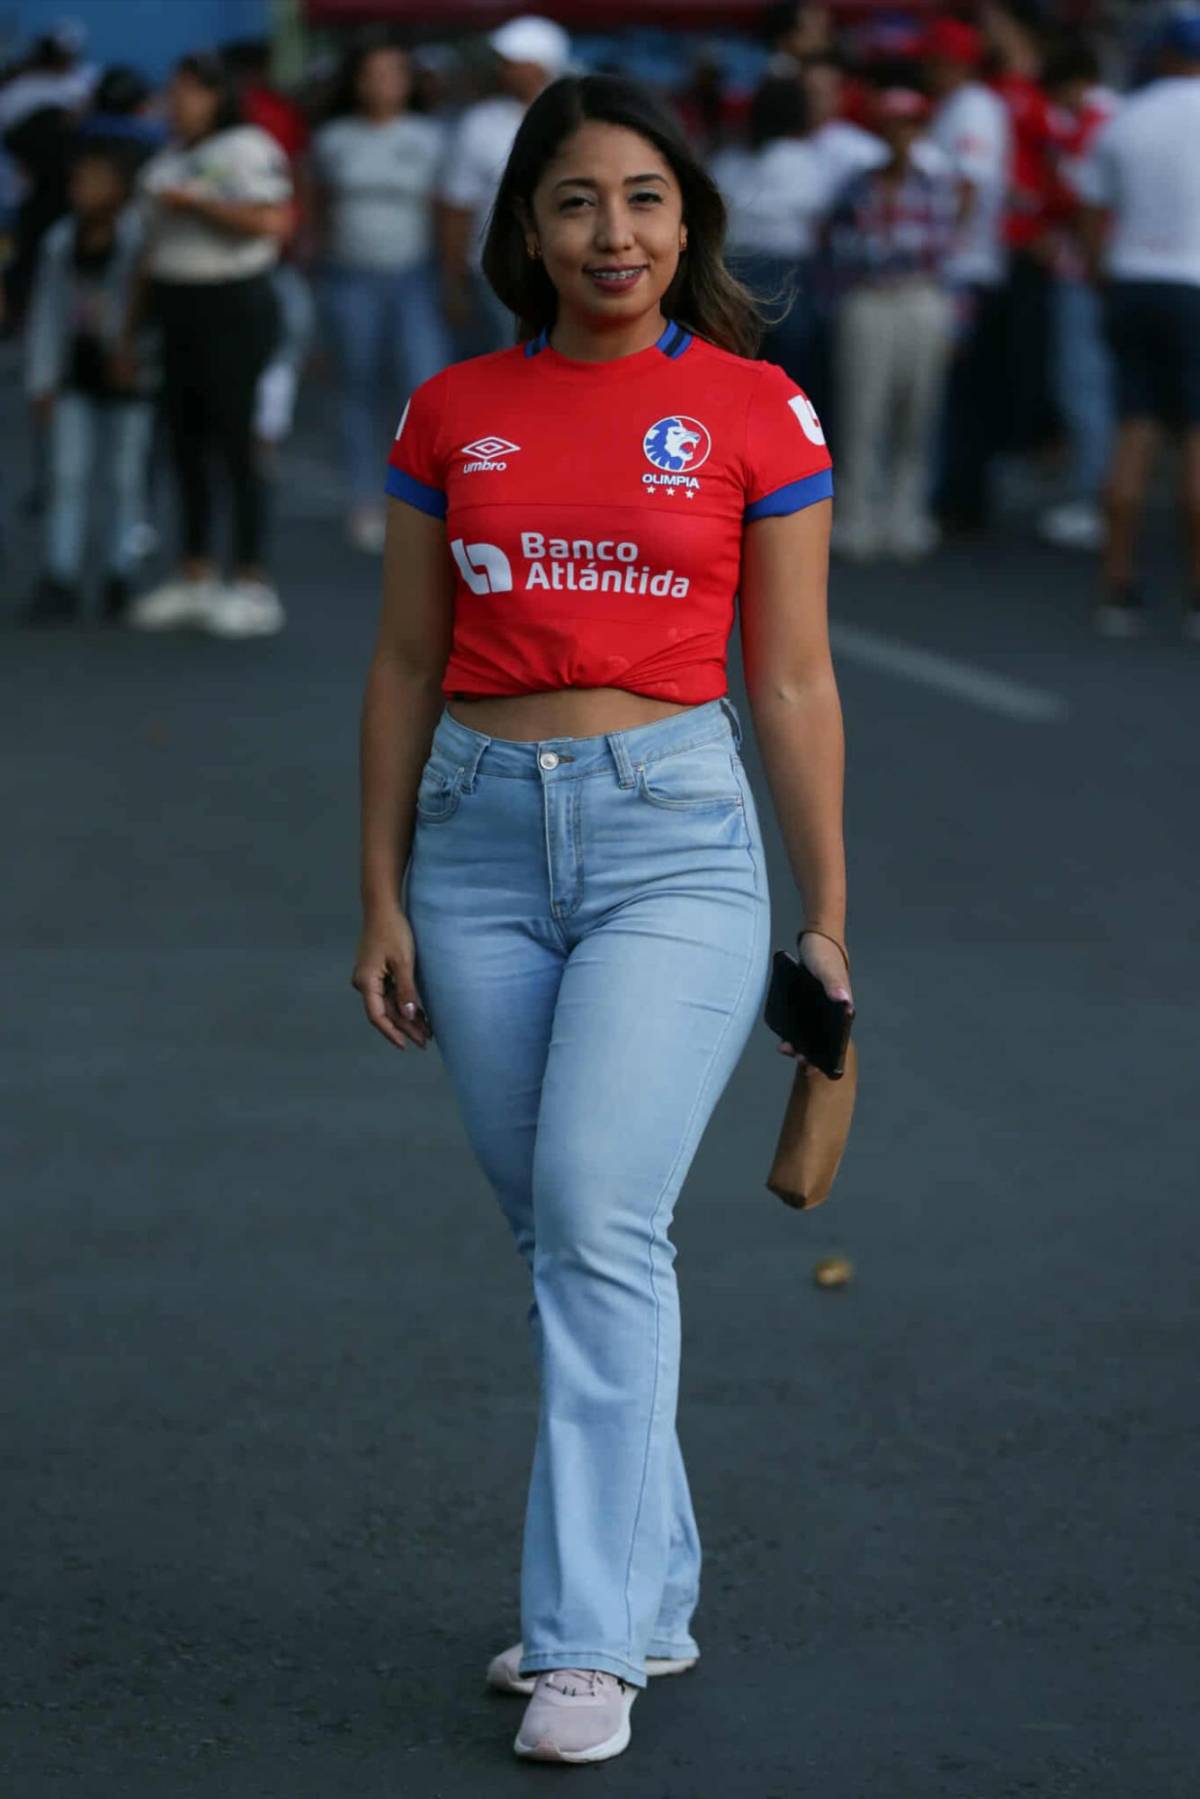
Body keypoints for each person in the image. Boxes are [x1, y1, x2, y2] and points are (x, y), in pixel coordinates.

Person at [352, 72, 851, 1767]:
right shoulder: (449, 410)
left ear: (686, 220)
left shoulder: (757, 413)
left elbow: (788, 674)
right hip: (476, 850)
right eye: (576, 202)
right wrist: (378, 893)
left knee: (590, 1215)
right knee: (574, 1238)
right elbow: (407, 661)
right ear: (527, 229)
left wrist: (829, 910)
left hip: (675, 846)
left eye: (644, 197)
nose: (613, 232)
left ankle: (584, 1644)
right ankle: (648, 1580)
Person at [123, 52, 293, 638]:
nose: (179, 102)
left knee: (235, 442)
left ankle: (251, 580)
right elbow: (148, 249)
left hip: (232, 303)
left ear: (217, 95)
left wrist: (197, 203)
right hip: (177, 303)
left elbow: (274, 222)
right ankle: (194, 572)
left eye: (190, 91)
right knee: (183, 440)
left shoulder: (246, 147)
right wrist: (130, 325)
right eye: (174, 91)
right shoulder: (170, 156)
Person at [1076, 13, 1200, 640]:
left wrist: (1105, 280)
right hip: (1193, 285)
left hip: (1132, 281)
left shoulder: (1125, 119)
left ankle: (1117, 587)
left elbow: (1093, 219)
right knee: (1196, 444)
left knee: (1135, 431)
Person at [309, 35, 449, 554]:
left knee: (425, 389)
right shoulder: (333, 140)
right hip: (349, 276)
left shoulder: (430, 137)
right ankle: (364, 499)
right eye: (374, 74)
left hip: (414, 277)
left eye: (394, 73)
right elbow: (318, 209)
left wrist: (448, 279)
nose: (384, 84)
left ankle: (429, 500)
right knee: (356, 389)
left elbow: (443, 210)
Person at [19, 139, 153, 626]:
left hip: (126, 373)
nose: (83, 191)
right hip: (75, 370)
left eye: (95, 182)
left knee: (124, 475)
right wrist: (42, 378)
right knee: (67, 475)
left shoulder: (140, 241)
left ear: (120, 190)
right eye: (79, 181)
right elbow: (48, 312)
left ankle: (121, 569)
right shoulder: (62, 240)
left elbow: (149, 313)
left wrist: (137, 357)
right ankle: (61, 571)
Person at [826, 85, 958, 561]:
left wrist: (954, 319)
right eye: (894, 124)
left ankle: (907, 515)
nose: (902, 134)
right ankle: (858, 517)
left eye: (911, 124)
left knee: (917, 411)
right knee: (861, 410)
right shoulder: (855, 184)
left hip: (920, 298)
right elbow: (837, 249)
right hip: (869, 298)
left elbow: (946, 254)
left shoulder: (935, 183)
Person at [923, 16, 1012, 534]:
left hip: (964, 269)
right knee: (954, 386)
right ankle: (957, 495)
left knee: (957, 388)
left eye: (934, 58)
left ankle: (959, 497)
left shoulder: (974, 106)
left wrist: (937, 252)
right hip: (963, 267)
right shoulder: (961, 105)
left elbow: (969, 187)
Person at [437, 15, 571, 354]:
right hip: (496, 272)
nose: (503, 70)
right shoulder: (479, 123)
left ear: (540, 66)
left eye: (513, 62)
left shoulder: (577, 117)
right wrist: (453, 283)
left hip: (567, 266)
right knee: (507, 360)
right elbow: (457, 207)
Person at [1037, 35, 1118, 552]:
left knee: (1085, 387)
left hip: (1092, 272)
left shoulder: (1099, 122)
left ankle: (1094, 501)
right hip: (1117, 270)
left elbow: (1078, 197)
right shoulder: (1112, 118)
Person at [710, 74, 825, 389]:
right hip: (767, 275)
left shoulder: (728, 161)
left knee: (740, 371)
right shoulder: (806, 161)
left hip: (745, 271)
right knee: (784, 377)